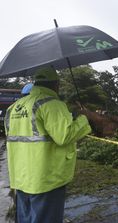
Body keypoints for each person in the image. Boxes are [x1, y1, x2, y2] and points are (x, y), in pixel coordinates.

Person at [4, 67, 91, 223]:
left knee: (26, 219)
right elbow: (65, 135)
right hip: (46, 179)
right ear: (56, 84)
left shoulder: (13, 108)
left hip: (21, 178)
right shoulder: (51, 104)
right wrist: (84, 118)